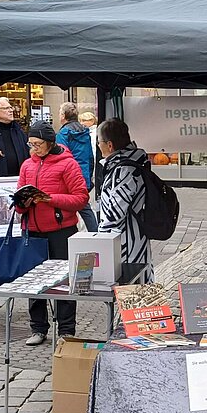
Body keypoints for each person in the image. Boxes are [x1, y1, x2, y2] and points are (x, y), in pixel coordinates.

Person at [16, 121, 89, 346]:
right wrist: (22, 202)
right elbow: (18, 202)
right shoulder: (27, 165)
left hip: (61, 231)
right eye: (31, 144)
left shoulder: (68, 165)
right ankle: (38, 328)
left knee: (65, 281)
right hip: (33, 231)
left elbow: (81, 198)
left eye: (38, 144)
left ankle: (67, 330)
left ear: (49, 143)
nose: (34, 148)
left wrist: (50, 198)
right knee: (33, 281)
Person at [95, 118, 154, 282]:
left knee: (131, 290)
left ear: (110, 145)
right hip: (134, 239)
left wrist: (100, 239)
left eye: (99, 142)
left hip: (126, 245)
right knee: (136, 289)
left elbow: (115, 214)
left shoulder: (124, 170)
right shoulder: (133, 162)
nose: (98, 147)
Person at [57, 103, 98, 231]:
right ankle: (95, 234)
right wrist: (89, 176)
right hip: (83, 174)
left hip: (69, 177)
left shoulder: (63, 134)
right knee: (85, 207)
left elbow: (60, 157)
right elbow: (90, 157)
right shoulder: (84, 132)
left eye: (60, 112)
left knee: (65, 206)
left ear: (63, 116)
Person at [80, 111, 102, 196]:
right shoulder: (87, 132)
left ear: (91, 121)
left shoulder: (93, 133)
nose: (82, 123)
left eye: (84, 120)